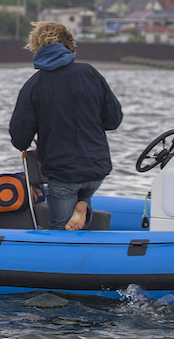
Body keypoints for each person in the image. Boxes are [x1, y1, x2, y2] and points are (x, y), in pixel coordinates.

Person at [9, 21, 123, 230]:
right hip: (96, 168)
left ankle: (79, 215)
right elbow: (113, 120)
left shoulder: (34, 85)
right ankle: (83, 210)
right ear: (70, 45)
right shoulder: (89, 73)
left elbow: (20, 138)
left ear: (36, 47)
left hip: (63, 173)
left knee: (61, 231)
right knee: (81, 205)